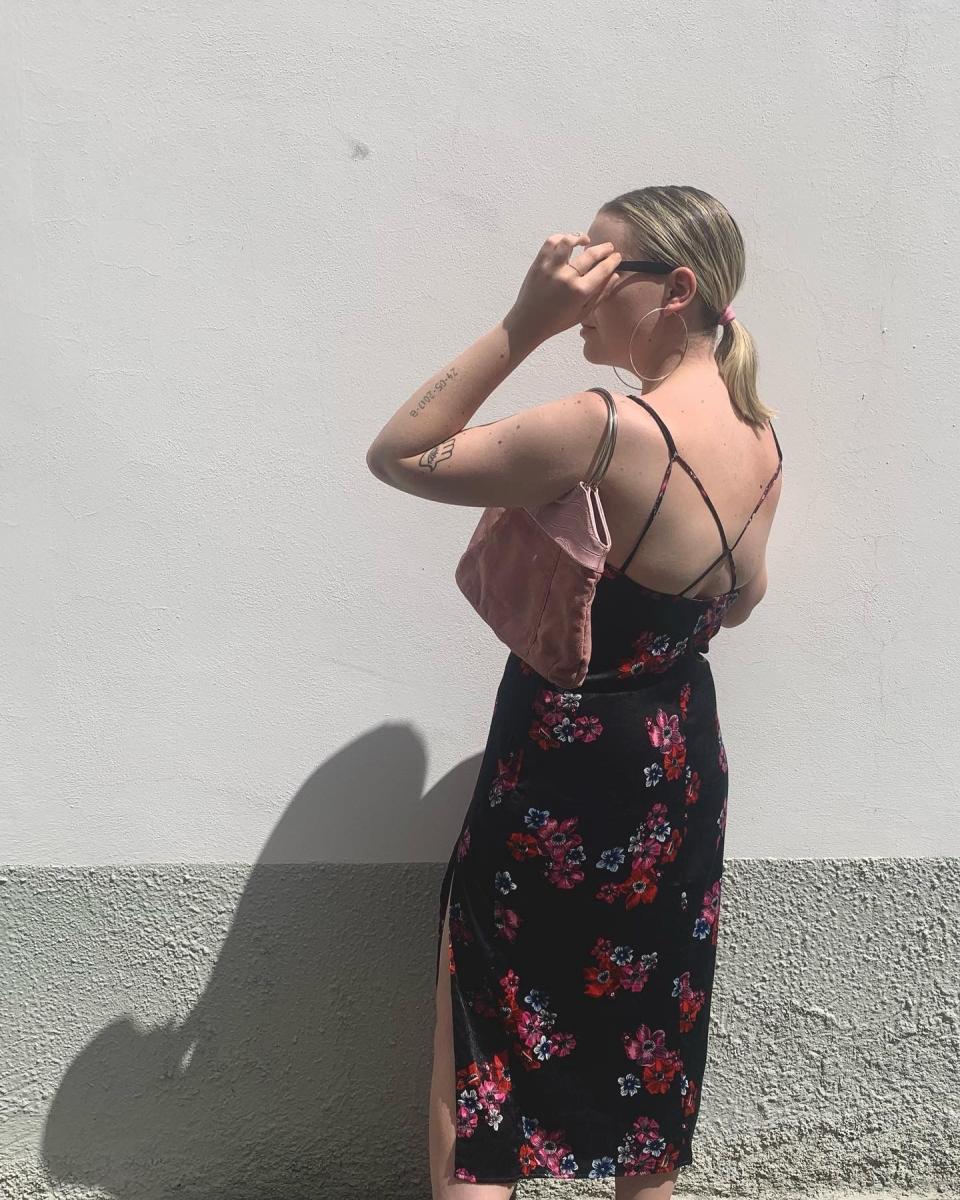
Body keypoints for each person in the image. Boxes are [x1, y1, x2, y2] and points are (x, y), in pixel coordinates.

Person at [365, 185, 784, 1199]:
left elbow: (399, 454)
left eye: (600, 267)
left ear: (675, 288)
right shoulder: (760, 438)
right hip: (678, 772)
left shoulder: (606, 428)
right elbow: (739, 603)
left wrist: (527, 322)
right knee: (652, 1042)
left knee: (490, 1050)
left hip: (559, 771)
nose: (578, 286)